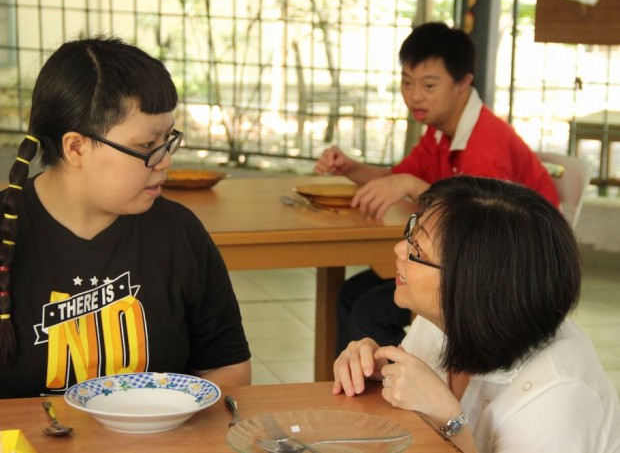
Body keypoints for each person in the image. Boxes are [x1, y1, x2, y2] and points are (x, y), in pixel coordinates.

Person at [0, 37, 251, 398]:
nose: (165, 160)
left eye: (168, 140)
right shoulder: (11, 233)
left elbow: (228, 368)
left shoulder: (178, 233)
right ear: (76, 147)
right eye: (146, 147)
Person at [313, 22, 560, 354]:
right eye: (407, 83)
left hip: (508, 274)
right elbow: (397, 178)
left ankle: (398, 387)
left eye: (429, 85)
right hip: (454, 262)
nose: (415, 96)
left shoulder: (486, 143)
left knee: (369, 310)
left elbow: (477, 229)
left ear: (463, 82)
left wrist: (410, 184)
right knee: (352, 294)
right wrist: (351, 168)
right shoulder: (440, 130)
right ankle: (360, 383)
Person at [333, 176, 620, 453]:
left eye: (417, 250)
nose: (398, 248)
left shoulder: (555, 398)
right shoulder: (443, 320)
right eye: (411, 231)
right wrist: (379, 373)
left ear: (473, 282)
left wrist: (451, 422)